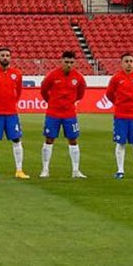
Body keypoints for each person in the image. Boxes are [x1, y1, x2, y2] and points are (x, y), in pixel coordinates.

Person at [40, 51, 87, 179]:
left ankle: (76, 170)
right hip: (53, 113)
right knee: (49, 139)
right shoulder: (53, 75)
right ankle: (45, 169)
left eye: (71, 62)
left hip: (70, 114)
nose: (69, 65)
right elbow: (43, 90)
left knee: (73, 140)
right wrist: (51, 102)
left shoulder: (78, 77)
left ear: (74, 63)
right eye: (66, 62)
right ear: (62, 61)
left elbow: (80, 94)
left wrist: (70, 102)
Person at [0, 48, 29, 179]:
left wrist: (12, 103)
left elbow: (18, 92)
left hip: (11, 113)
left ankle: (19, 170)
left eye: (7, 55)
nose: (5, 57)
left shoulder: (17, 74)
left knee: (16, 139)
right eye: (2, 55)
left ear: (10, 58)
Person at [105, 53, 133, 179]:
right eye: (126, 61)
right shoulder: (116, 78)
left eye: (131, 61)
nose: (129, 63)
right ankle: (120, 170)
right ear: (122, 63)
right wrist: (118, 103)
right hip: (120, 116)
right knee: (120, 143)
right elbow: (109, 94)